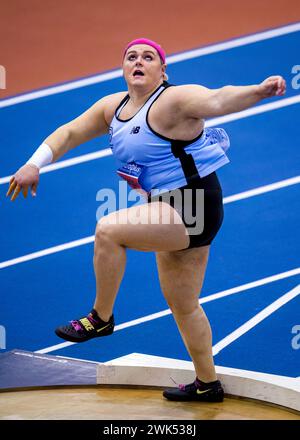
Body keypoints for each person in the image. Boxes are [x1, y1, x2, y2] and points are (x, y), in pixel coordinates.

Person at [6, 38, 286, 402]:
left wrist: (259, 91)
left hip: (193, 204)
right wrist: (34, 163)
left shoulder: (173, 100)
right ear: (124, 69)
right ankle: (207, 383)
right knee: (184, 305)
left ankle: (100, 317)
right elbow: (70, 131)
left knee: (108, 230)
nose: (138, 61)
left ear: (162, 71)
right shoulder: (112, 107)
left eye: (148, 57)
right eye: (131, 57)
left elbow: (218, 99)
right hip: (168, 209)